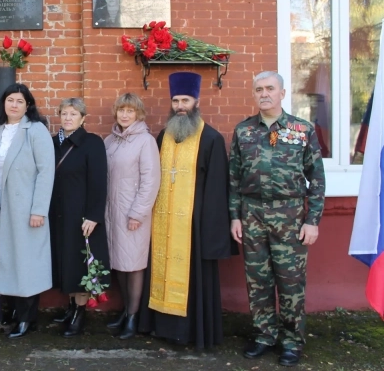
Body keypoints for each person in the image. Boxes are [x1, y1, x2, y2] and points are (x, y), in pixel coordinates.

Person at [229, 71, 325, 367]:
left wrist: (313, 220)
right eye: (259, 89)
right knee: (258, 280)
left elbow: (317, 179)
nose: (264, 94)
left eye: (270, 88)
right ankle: (263, 335)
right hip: (253, 214)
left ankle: (292, 341)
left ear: (282, 93)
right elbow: (234, 178)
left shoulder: (302, 129)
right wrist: (235, 217)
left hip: (290, 215)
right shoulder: (244, 131)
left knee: (290, 281)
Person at [139, 72, 233, 349]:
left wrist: (209, 230)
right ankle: (161, 328)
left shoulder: (211, 139)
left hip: (194, 227)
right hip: (162, 221)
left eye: (186, 100)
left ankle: (190, 332)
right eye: (176, 100)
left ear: (197, 102)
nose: (180, 106)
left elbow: (218, 189)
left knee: (192, 280)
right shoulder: (163, 136)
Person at [0, 83, 55, 339]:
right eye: (10, 100)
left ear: (28, 106)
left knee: (26, 263)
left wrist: (39, 209)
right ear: (3, 103)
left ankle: (28, 318)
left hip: (27, 209)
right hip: (1, 206)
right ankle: (14, 312)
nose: (14, 105)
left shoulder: (35, 130)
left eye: (20, 101)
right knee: (7, 259)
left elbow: (46, 171)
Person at [49, 97, 109, 337]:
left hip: (83, 216)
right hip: (59, 215)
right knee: (68, 262)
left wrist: (94, 216)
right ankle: (72, 306)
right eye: (64, 113)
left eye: (74, 114)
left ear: (83, 118)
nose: (68, 118)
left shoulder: (92, 143)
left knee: (83, 264)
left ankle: (80, 313)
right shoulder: (52, 143)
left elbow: (99, 182)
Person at [104, 93, 161, 339]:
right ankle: (126, 311)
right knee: (118, 263)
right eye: (121, 110)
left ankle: (133, 317)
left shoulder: (145, 141)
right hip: (111, 211)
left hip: (133, 213)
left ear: (138, 114)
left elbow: (151, 180)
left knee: (134, 265)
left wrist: (138, 212)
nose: (125, 115)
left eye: (130, 111)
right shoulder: (110, 141)